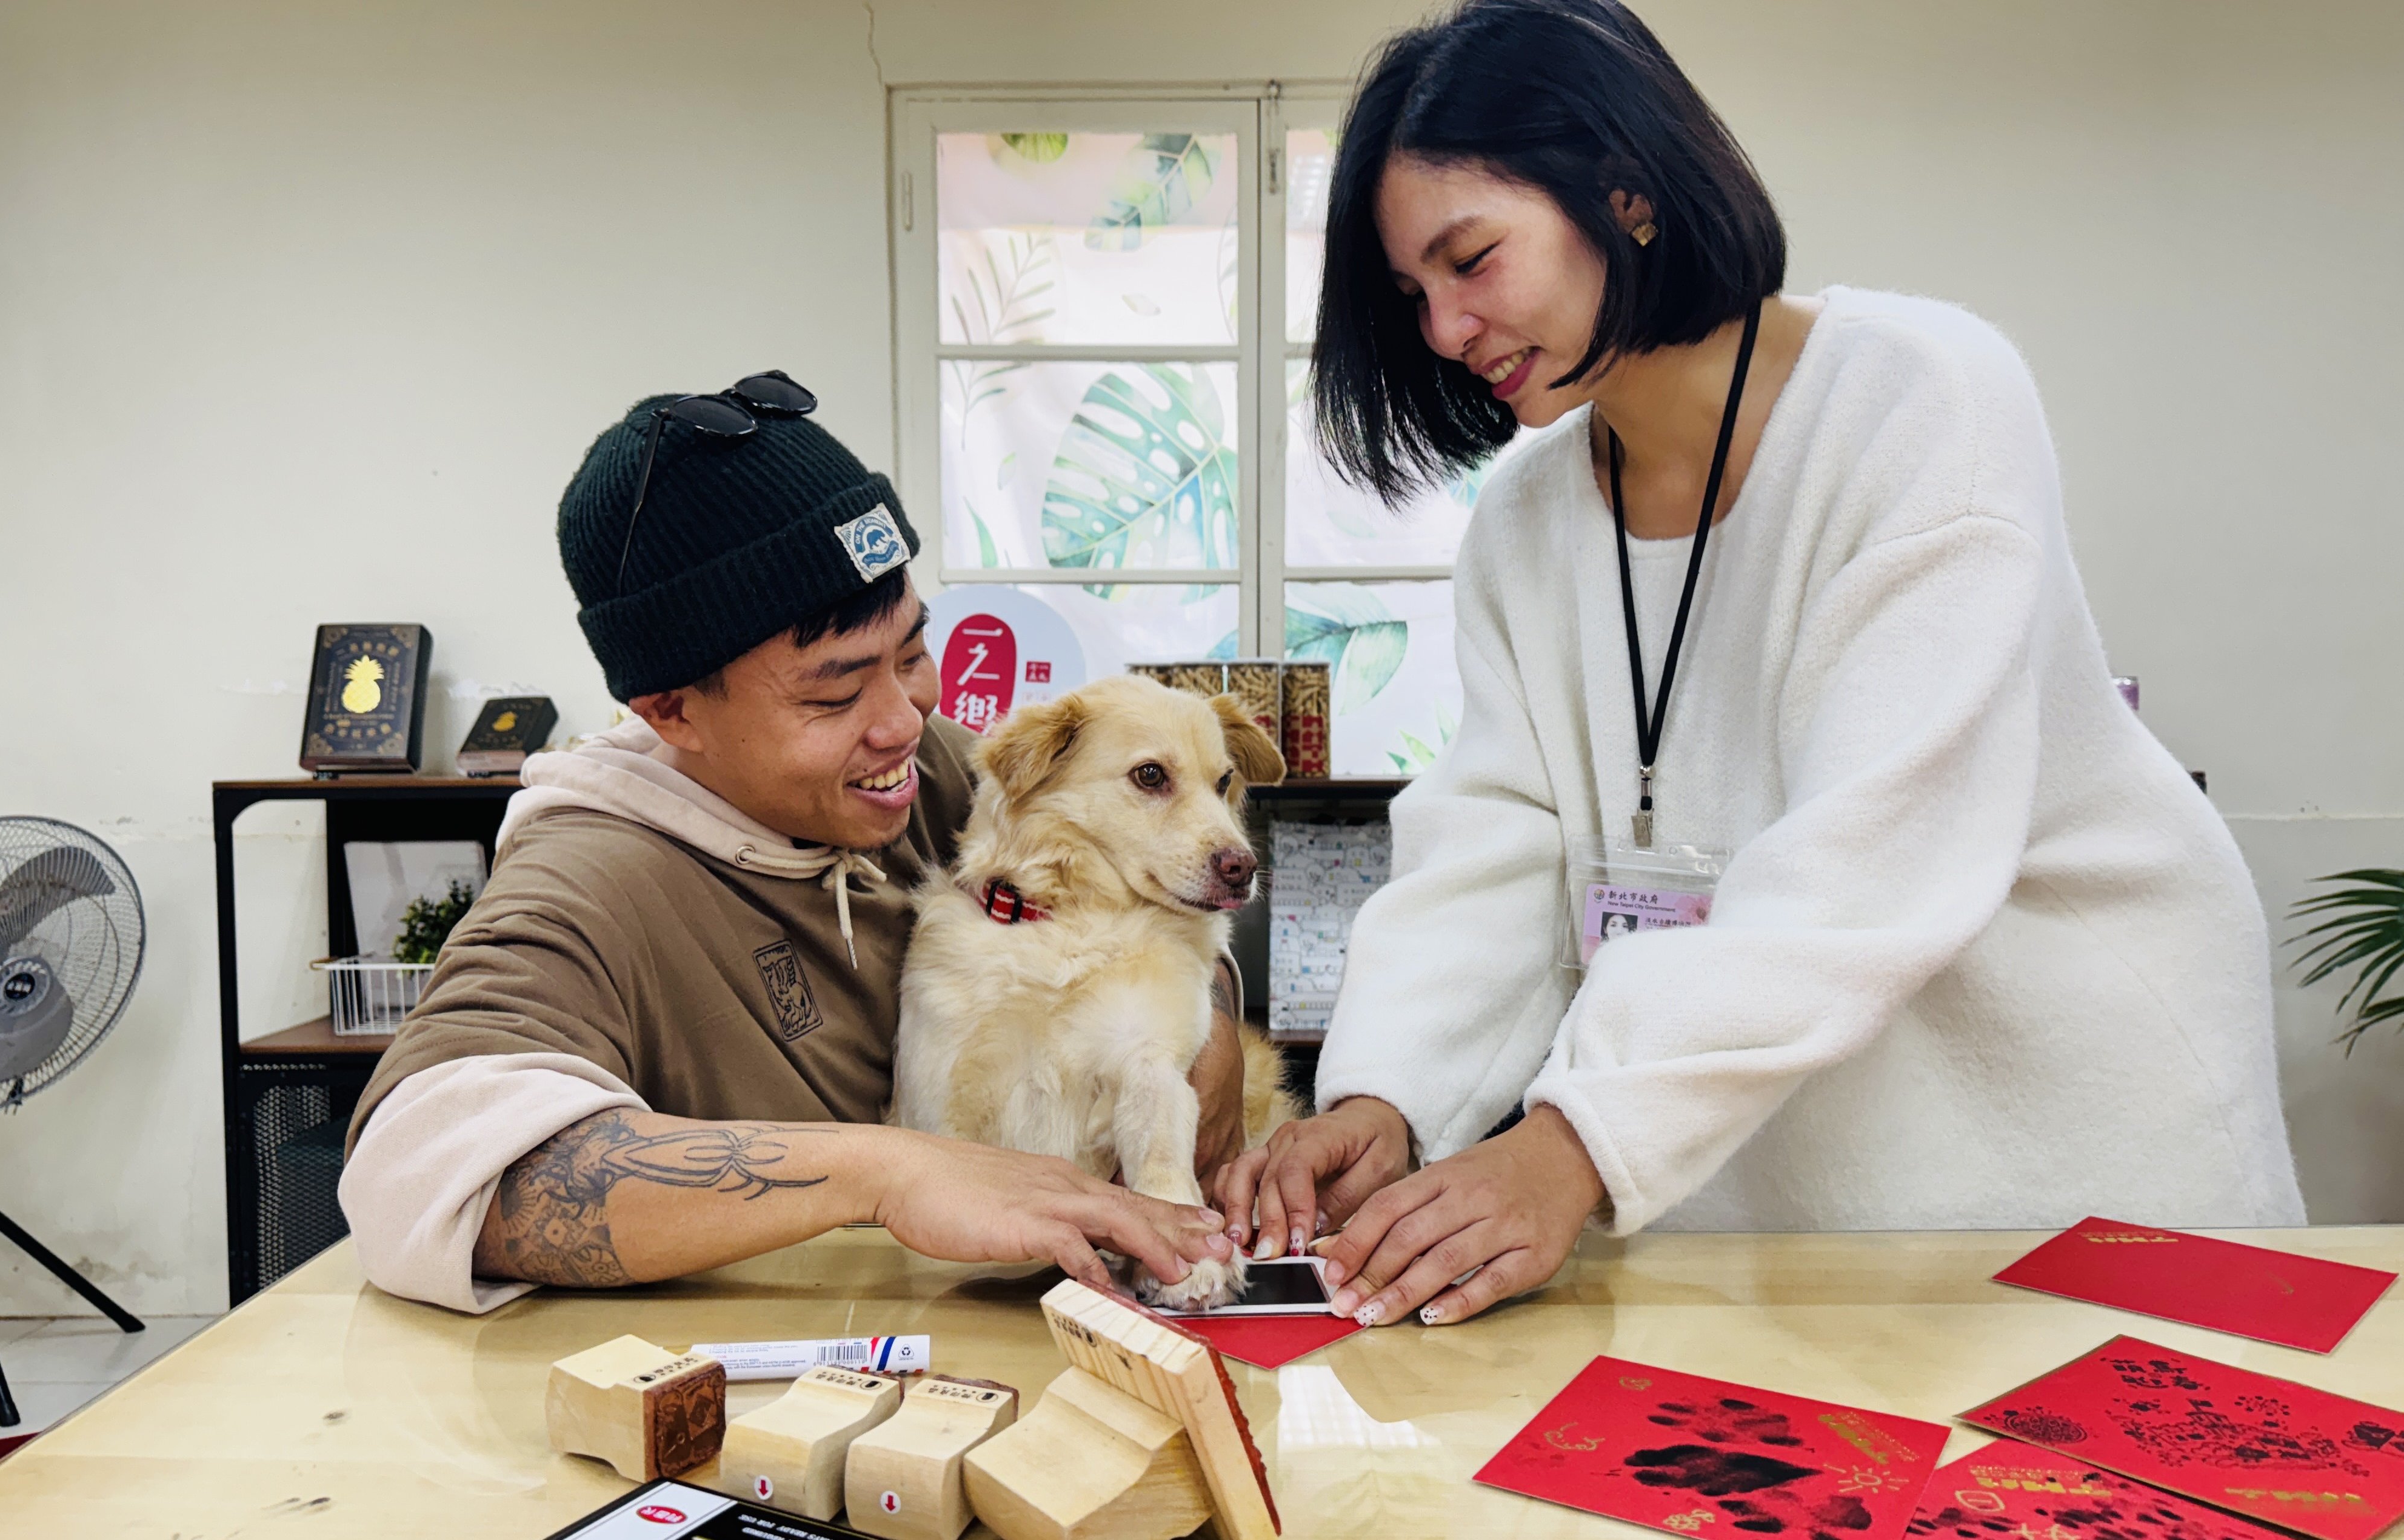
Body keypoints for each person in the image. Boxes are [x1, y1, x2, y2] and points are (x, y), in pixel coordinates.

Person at [1214, 0, 2303, 1330]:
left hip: (2066, 1129)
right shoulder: (1528, 515)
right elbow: (1496, 840)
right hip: (1800, 1165)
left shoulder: (1923, 402)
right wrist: (1387, 1093)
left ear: (1626, 192)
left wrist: (1568, 1145)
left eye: (1473, 260)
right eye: (1413, 295)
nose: (1444, 329)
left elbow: (1867, 859)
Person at [340, 377, 1242, 1312]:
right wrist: (885, 1175)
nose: (904, 721)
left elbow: (1142, 882)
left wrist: (1201, 1028)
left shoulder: (927, 776)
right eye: (834, 693)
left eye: (910, 652)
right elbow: (418, 1173)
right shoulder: (590, 884)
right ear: (674, 709)